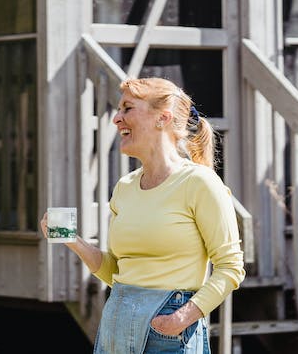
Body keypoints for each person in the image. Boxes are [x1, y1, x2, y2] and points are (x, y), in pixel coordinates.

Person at [42, 77, 244, 354]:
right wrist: (74, 242)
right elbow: (115, 270)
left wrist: (180, 319)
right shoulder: (124, 187)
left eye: (127, 108)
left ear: (162, 118)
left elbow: (231, 268)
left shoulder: (200, 183)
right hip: (117, 321)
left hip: (169, 332)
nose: (116, 119)